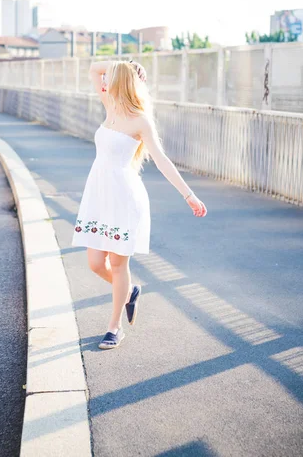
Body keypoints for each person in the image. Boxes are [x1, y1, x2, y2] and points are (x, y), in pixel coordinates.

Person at [71, 59, 207, 349]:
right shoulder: (109, 106)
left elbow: (161, 160)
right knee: (96, 263)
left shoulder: (139, 120)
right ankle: (130, 291)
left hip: (124, 198)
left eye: (111, 77)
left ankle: (114, 327)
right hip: (98, 196)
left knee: (118, 265)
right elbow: (94, 68)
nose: (103, 81)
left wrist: (189, 195)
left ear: (121, 82)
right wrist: (129, 64)